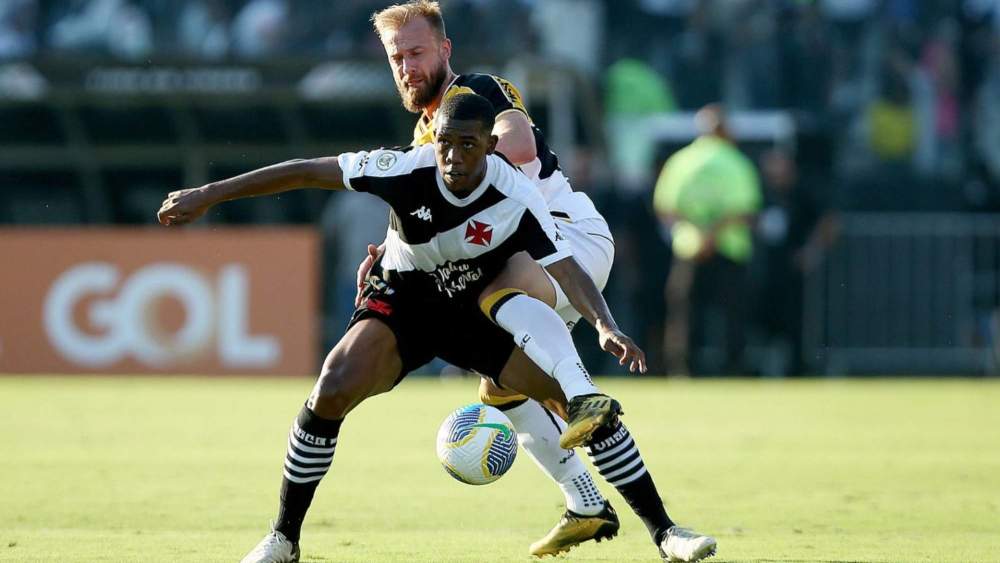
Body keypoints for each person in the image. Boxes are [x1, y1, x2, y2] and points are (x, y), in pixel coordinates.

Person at [158, 93, 716, 563]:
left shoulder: (516, 196)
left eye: (467, 144)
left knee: (578, 407)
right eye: (445, 142)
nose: (452, 155)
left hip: (471, 308)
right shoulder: (405, 169)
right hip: (407, 300)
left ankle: (666, 532)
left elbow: (564, 266)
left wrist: (605, 326)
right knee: (332, 385)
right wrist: (207, 195)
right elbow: (305, 170)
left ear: (490, 146)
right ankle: (283, 539)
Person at [360, 2, 714, 559]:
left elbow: (519, 141)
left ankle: (586, 399)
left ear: (445, 50)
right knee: (501, 384)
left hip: (568, 237)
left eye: (417, 52)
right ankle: (589, 504)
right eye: (396, 57)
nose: (407, 66)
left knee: (494, 298)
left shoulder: (478, 94)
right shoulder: (429, 137)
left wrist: (467, 162)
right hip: (530, 262)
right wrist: (386, 252)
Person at [654, 104, 762, 375]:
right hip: (729, 249)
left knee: (684, 314)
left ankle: (682, 370)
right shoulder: (736, 161)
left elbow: (665, 207)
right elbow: (747, 211)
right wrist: (714, 234)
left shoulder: (680, 161)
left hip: (689, 248)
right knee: (732, 316)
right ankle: (734, 369)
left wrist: (698, 234)